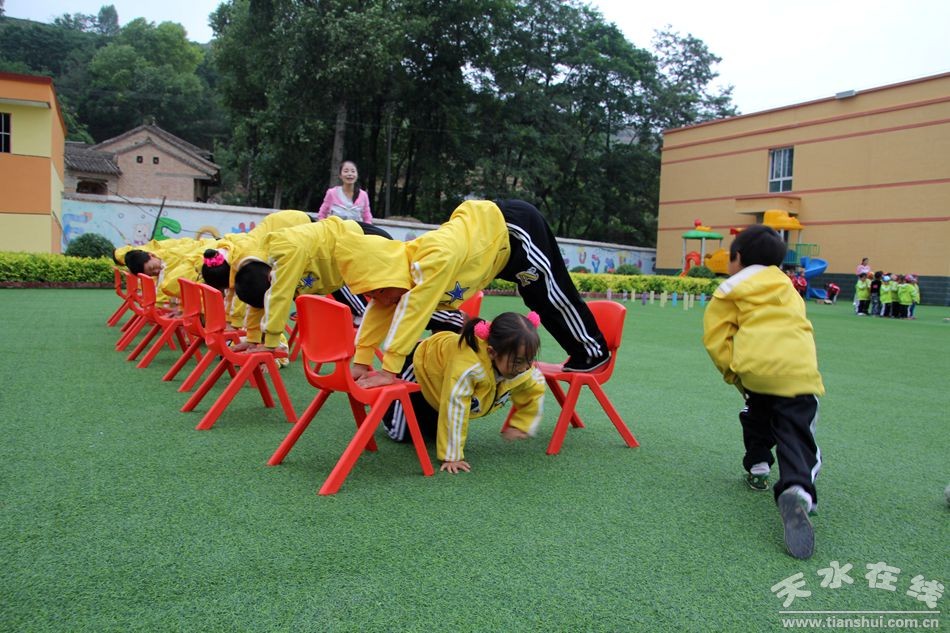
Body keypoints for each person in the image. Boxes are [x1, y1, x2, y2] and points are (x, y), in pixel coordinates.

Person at [334, 199, 610, 388]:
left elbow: (415, 308)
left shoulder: (433, 259)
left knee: (549, 293)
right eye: (372, 294)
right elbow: (382, 306)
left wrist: (388, 370)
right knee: (537, 296)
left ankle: (593, 353)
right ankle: (586, 350)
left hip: (513, 230)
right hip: (496, 255)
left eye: (381, 290)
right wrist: (362, 361)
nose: (382, 299)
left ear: (388, 273)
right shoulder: (398, 277)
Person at [702, 224, 824, 560]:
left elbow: (716, 340)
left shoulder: (729, 290)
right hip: (796, 371)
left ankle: (758, 464)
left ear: (737, 258)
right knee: (796, 431)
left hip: (756, 371)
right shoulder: (788, 286)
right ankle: (797, 488)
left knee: (757, 413)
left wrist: (735, 374)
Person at [380, 312, 546, 473]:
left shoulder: (523, 368)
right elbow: (455, 406)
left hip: (442, 380)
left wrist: (522, 423)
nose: (525, 367)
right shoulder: (469, 368)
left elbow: (534, 389)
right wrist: (452, 457)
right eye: (518, 361)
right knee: (400, 434)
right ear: (491, 352)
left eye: (530, 359)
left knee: (431, 433)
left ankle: (429, 411)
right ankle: (382, 405)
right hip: (419, 367)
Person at [232, 217, 392, 351]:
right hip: (342, 259)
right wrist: (252, 338)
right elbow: (262, 298)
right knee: (384, 305)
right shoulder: (258, 269)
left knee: (392, 303)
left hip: (365, 240)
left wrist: (270, 343)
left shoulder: (286, 255)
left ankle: (393, 365)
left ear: (270, 279)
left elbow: (278, 295)